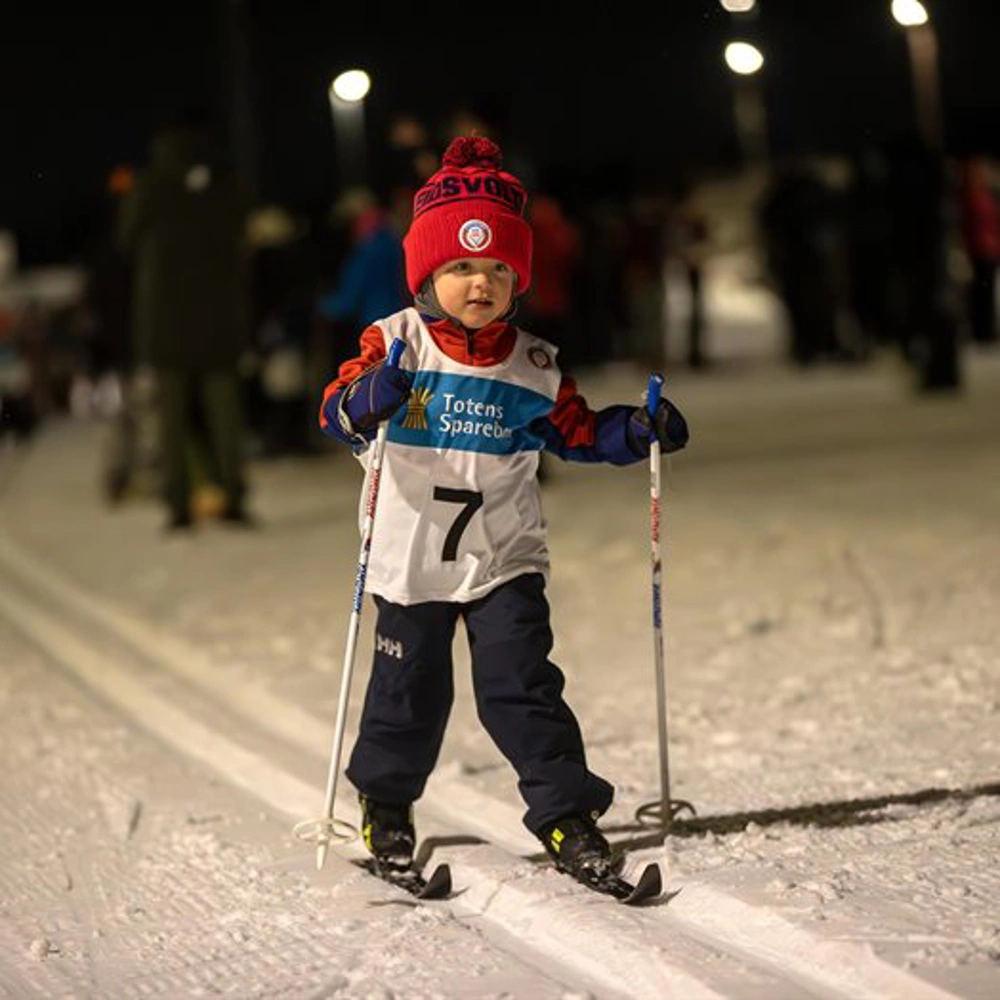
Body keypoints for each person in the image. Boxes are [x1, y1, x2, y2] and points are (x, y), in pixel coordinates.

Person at [317, 138, 688, 884]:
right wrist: (368, 398)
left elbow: (577, 433)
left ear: (519, 277)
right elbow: (336, 413)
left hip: (502, 559)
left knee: (523, 688)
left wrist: (634, 432)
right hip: (410, 558)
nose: (478, 283)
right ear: (427, 275)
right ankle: (386, 804)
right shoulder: (396, 345)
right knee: (408, 695)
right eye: (458, 267)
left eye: (496, 269)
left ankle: (565, 815)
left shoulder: (533, 364)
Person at [117, 111, 252, 531]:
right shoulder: (223, 184)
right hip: (219, 322)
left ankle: (178, 504)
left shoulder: (150, 185)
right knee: (226, 417)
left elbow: (125, 238)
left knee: (171, 421)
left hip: (165, 324)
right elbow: (241, 242)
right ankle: (233, 496)